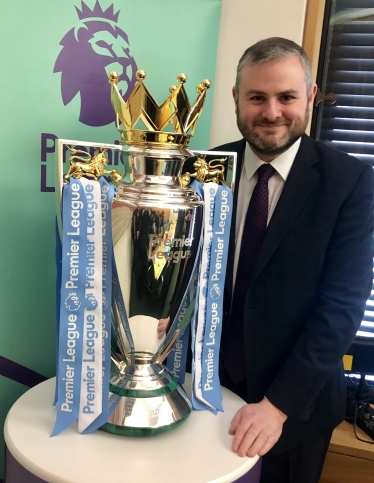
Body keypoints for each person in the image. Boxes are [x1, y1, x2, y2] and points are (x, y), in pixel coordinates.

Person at [210, 38, 374, 483]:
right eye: (257, 97)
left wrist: (277, 406)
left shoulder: (350, 182)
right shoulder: (204, 169)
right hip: (205, 393)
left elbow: (340, 309)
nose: (271, 112)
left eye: (286, 97)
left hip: (296, 408)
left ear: (311, 97)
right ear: (236, 99)